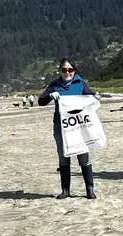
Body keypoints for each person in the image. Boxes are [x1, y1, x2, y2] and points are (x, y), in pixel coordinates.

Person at [38, 58, 100, 200]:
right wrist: (50, 96)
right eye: (64, 70)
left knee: (83, 156)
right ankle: (65, 190)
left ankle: (90, 190)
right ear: (60, 71)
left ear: (74, 71)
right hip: (61, 127)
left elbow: (90, 95)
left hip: (79, 126)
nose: (67, 73)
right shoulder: (55, 84)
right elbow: (41, 101)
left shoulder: (80, 83)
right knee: (64, 156)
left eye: (70, 70)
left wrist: (95, 95)